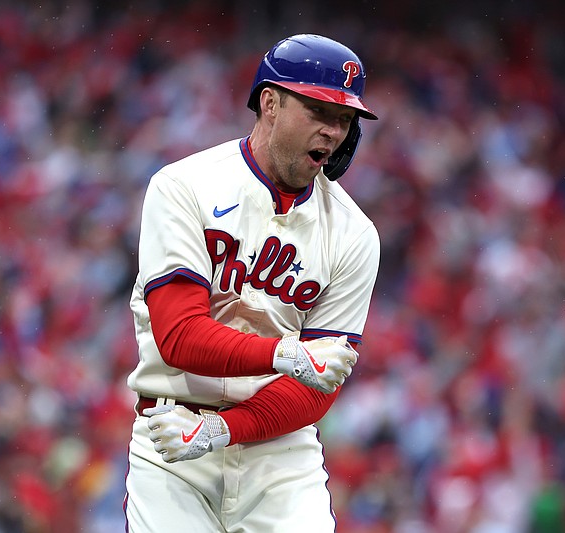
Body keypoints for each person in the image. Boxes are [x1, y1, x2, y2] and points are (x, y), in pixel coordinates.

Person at [124, 33, 380, 532]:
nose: (333, 131)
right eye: (319, 112)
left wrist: (222, 429)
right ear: (270, 103)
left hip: (280, 451)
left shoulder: (354, 234)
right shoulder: (185, 186)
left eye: (344, 120)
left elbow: (317, 388)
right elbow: (178, 337)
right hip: (171, 436)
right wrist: (284, 354)